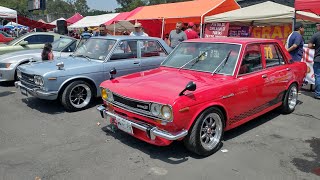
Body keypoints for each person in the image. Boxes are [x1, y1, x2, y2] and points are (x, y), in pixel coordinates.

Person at [308, 22, 320, 99]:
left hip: (318, 59)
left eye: (317, 26)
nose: (316, 27)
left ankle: (318, 93)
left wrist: (315, 47)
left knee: (318, 76)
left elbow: (309, 45)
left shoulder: (316, 35)